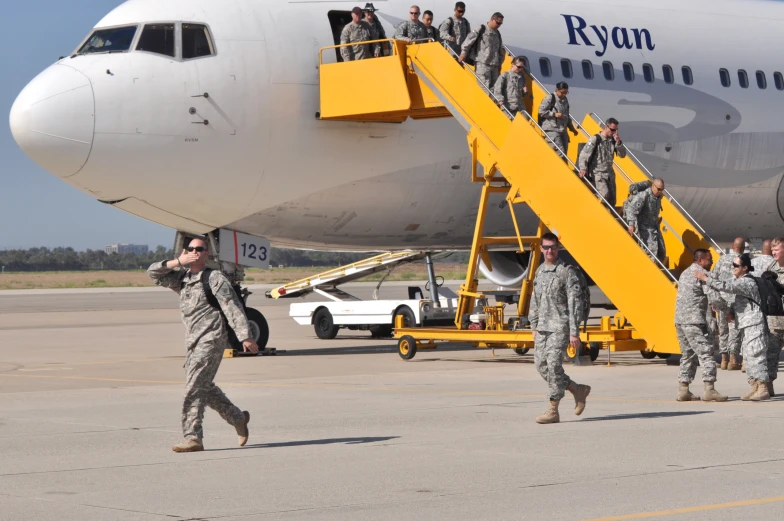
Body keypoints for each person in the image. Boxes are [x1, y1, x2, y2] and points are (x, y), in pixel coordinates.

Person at [148, 238, 259, 452]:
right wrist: (177, 261)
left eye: (200, 249)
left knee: (193, 388)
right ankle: (238, 418)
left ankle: (193, 438)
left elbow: (232, 306)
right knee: (203, 387)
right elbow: (153, 273)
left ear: (207, 254)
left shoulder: (215, 278)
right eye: (191, 249)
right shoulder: (182, 279)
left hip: (212, 339)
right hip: (193, 342)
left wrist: (245, 335)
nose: (195, 252)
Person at [528, 233, 591, 424]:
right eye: (546, 247)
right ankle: (576, 389)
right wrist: (533, 324)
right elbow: (535, 300)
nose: (549, 251)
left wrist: (574, 332)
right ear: (541, 249)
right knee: (541, 366)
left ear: (558, 248)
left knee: (554, 365)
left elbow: (575, 304)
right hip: (543, 327)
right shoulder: (539, 271)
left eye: (553, 247)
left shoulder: (566, 272)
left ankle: (553, 410)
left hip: (560, 327)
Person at [696, 253, 770, 401]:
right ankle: (754, 386)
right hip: (746, 324)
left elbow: (727, 286)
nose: (733, 268)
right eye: (733, 265)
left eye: (736, 266)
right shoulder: (739, 280)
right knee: (748, 356)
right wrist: (729, 310)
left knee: (756, 355)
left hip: (754, 323)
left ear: (745, 268)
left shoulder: (747, 282)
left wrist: (706, 279)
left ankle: (763, 387)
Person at [675, 249, 727, 402]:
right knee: (706, 353)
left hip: (680, 320)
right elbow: (715, 298)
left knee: (688, 355)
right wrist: (727, 310)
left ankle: (683, 389)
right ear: (701, 259)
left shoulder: (685, 273)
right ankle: (709, 389)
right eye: (709, 259)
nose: (711, 262)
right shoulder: (703, 275)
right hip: (694, 321)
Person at [709, 237, 746, 371]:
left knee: (723, 330)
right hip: (736, 301)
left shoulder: (722, 259)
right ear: (743, 248)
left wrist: (714, 300)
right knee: (735, 330)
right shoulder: (743, 261)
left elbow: (712, 279)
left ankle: (724, 359)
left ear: (732, 246)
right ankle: (733, 360)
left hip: (721, 300)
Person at [577, 118, 626, 206]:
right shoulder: (595, 139)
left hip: (610, 175)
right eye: (612, 130)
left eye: (616, 130)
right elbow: (584, 154)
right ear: (606, 127)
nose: (614, 132)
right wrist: (583, 168)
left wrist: (618, 142)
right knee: (604, 195)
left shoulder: (613, 141)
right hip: (598, 174)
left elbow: (622, 155)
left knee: (612, 200)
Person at [459, 12, 506, 93]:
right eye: (497, 23)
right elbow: (469, 40)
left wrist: (499, 64)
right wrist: (463, 53)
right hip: (482, 64)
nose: (499, 25)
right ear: (492, 19)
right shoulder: (482, 29)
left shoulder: (497, 33)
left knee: (495, 90)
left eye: (500, 23)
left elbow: (500, 50)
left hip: (494, 66)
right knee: (484, 90)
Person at [626, 178, 666, 262]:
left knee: (662, 252)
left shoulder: (657, 197)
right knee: (651, 255)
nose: (660, 192)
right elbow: (631, 209)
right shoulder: (643, 196)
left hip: (654, 227)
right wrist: (631, 224)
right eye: (658, 189)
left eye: (662, 190)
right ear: (653, 186)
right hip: (644, 229)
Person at [763, 236, 784, 396]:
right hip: (775, 319)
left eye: (777, 249)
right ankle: (768, 386)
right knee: (771, 354)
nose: (774, 252)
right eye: (772, 249)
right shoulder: (771, 267)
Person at [538, 82, 578, 155]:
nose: (564, 94)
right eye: (562, 92)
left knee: (565, 154)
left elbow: (566, 116)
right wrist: (554, 114)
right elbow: (541, 111)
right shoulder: (550, 98)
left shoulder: (565, 100)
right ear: (557, 90)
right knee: (560, 153)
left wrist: (572, 128)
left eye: (566, 93)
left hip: (563, 130)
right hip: (552, 129)